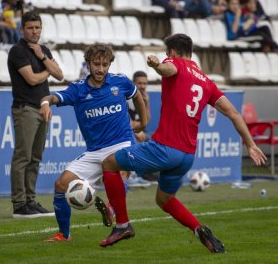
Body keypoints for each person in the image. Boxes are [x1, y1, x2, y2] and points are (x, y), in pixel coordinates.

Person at [98, 33, 267, 252]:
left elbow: (170, 70)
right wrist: (250, 144)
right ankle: (199, 230)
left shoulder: (173, 62)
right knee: (164, 199)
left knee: (109, 163)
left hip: (163, 149)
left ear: (173, 52)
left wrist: (158, 66)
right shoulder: (207, 81)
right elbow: (234, 113)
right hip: (186, 157)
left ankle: (122, 225)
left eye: (167, 53)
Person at [39, 43, 148, 242]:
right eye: (96, 64)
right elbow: (52, 97)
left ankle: (112, 209)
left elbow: (137, 96)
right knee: (61, 184)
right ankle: (64, 234)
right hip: (95, 150)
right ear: (88, 64)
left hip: (122, 142)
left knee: (119, 173)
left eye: (105, 64)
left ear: (109, 64)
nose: (100, 69)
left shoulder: (120, 82)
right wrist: (45, 103)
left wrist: (144, 121)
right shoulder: (78, 89)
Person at [8, 11, 63, 218]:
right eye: (30, 28)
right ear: (22, 29)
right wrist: (48, 68)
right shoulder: (17, 51)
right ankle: (19, 204)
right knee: (23, 157)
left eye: (37, 27)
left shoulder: (43, 50)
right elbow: (32, 79)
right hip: (26, 109)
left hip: (43, 109)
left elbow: (60, 74)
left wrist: (42, 57)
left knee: (36, 158)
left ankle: (30, 201)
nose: (34, 31)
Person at [123, 70, 153, 188]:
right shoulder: (126, 97)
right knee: (139, 138)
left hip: (137, 131)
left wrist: (145, 103)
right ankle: (130, 175)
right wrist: (136, 127)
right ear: (133, 83)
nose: (142, 86)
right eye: (139, 83)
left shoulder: (145, 97)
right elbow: (123, 119)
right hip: (125, 132)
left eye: (145, 83)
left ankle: (142, 174)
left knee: (156, 142)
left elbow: (147, 120)